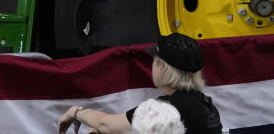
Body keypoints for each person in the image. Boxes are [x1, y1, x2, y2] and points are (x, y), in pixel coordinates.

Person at [57, 33, 221, 134]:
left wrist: (75, 111)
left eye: (154, 61)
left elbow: (106, 124)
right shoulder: (206, 106)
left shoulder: (168, 109)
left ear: (162, 66)